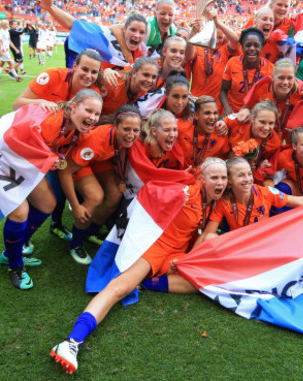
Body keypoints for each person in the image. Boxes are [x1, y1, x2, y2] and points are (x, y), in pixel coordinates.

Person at [50, 157, 228, 374]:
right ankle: (71, 341)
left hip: (176, 253)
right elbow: (150, 191)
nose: (220, 182)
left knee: (201, 282)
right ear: (202, 178)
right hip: (156, 247)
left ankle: (145, 283)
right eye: (215, 177)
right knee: (119, 288)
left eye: (224, 177)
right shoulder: (187, 191)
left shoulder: (215, 201)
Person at [0, 89, 103, 289]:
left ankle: (13, 251)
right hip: (0, 156)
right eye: (88, 110)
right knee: (20, 213)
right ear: (73, 107)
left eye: (97, 114)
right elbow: (13, 139)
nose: (93, 117)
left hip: (21, 162)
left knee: (47, 204)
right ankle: (15, 265)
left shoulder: (72, 128)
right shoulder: (51, 120)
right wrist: (49, 158)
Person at [13, 48, 103, 242]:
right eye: (85, 69)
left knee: (58, 192)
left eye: (94, 72)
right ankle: (21, 237)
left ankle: (55, 225)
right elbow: (17, 104)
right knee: (37, 198)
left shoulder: (92, 93)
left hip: (59, 149)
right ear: (75, 66)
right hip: (32, 145)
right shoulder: (53, 76)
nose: (89, 76)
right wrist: (42, 102)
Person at [59, 106, 143, 265]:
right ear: (115, 126)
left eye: (135, 130)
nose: (131, 135)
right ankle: (76, 244)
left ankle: (90, 232)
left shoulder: (125, 137)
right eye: (126, 129)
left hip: (98, 158)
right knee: (95, 197)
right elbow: (65, 172)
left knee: (116, 194)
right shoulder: (96, 141)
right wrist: (76, 205)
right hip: (78, 162)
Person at [200, 157, 303, 237]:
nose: (247, 179)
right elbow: (207, 234)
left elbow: (299, 201)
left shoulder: (265, 192)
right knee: (210, 237)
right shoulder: (224, 201)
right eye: (241, 175)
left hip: (262, 242)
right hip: (238, 245)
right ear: (229, 180)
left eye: (249, 174)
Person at [185, 10, 238, 109]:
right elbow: (188, 56)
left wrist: (218, 23)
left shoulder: (224, 51)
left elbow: (235, 40)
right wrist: (193, 32)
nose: (216, 41)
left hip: (216, 107)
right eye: (213, 37)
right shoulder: (199, 48)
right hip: (195, 104)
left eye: (220, 38)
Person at [236, 58, 303, 135]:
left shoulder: (302, 91)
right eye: (281, 78)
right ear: (273, 77)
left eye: (290, 78)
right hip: (266, 133)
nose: (285, 82)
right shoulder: (261, 87)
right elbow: (247, 107)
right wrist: (246, 111)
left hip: (290, 136)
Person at [220, 27, 274, 115]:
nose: (252, 48)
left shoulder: (271, 69)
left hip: (256, 116)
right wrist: (227, 108)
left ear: (262, 47)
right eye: (248, 45)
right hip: (234, 114)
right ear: (242, 46)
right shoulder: (232, 63)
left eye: (256, 45)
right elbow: (223, 90)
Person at [224, 100, 281, 176]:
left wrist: (261, 164)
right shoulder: (239, 121)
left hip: (247, 175)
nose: (267, 128)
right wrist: (221, 124)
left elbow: (267, 164)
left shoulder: (274, 142)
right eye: (262, 122)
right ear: (252, 119)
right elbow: (220, 124)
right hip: (222, 166)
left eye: (271, 123)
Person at [178, 96, 230, 170]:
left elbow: (225, 157)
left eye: (215, 113)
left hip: (204, 177)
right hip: (180, 175)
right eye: (207, 113)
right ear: (196, 115)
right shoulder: (180, 128)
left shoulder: (220, 132)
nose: (212, 117)